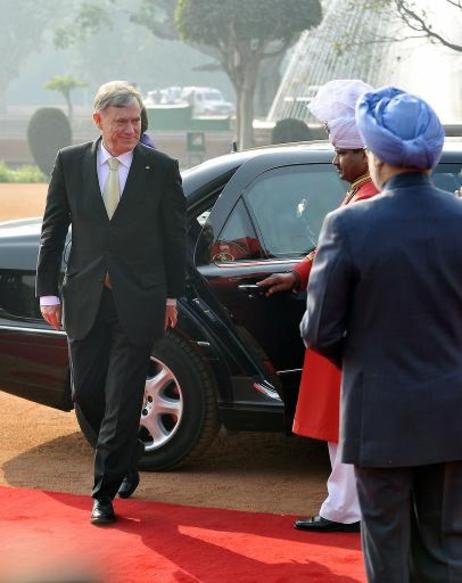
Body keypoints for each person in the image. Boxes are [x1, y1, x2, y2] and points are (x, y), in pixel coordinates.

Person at [301, 86, 462, 582]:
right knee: (446, 549)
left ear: (376, 156)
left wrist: (367, 362)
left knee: (386, 548)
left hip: (379, 414)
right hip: (451, 412)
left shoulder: (348, 224)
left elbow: (320, 330)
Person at [36, 80, 186, 526]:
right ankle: (127, 454)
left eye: (136, 120)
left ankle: (103, 494)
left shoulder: (160, 168)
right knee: (88, 392)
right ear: (98, 120)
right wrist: (48, 291)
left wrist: (172, 294)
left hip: (139, 300)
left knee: (123, 397)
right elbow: (54, 230)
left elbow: (174, 238)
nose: (130, 129)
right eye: (121, 121)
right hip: (84, 297)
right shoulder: (70, 162)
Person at [258, 79, 378, 533]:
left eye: (342, 152)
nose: (335, 161)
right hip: (353, 331)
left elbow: (334, 255)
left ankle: (344, 509)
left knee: (343, 428)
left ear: (364, 155)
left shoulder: (364, 200)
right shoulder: (362, 194)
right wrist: (297, 273)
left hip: (344, 331)